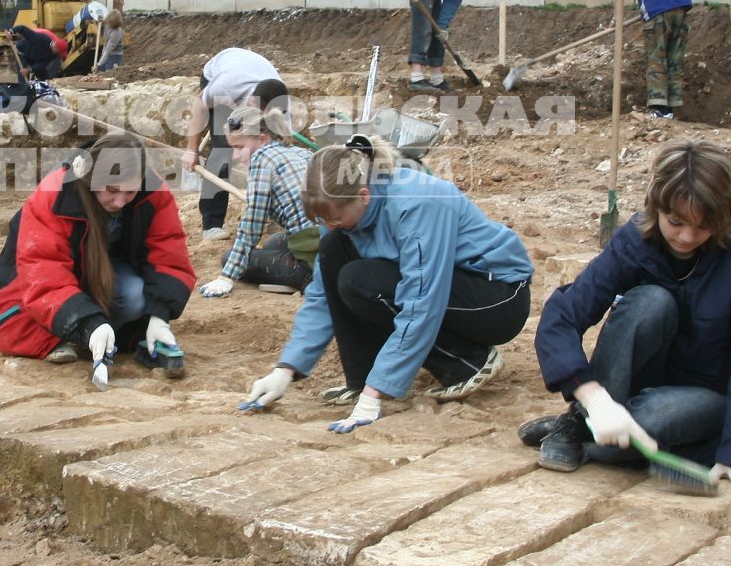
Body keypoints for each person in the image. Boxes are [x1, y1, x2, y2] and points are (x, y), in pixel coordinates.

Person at [519, 140, 731, 499]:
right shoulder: (636, 240)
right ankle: (587, 417)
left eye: (704, 226)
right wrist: (595, 399)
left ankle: (589, 432)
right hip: (637, 377)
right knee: (650, 302)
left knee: (646, 425)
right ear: (655, 206)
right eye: (675, 222)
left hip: (702, 390)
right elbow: (562, 316)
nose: (687, 237)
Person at [240, 137, 531, 430]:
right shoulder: (341, 209)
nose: (330, 226)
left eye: (336, 218)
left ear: (364, 196)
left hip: (497, 298)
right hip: (449, 287)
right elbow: (322, 296)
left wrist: (375, 394)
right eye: (324, 220)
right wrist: (286, 368)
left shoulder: (414, 204)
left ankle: (468, 363)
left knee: (361, 282)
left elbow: (421, 301)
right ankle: (361, 376)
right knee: (334, 254)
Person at [0, 133, 195, 389]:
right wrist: (87, 323)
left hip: (102, 276)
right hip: (35, 282)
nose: (120, 201)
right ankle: (86, 331)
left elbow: (169, 255)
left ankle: (103, 332)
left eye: (130, 191)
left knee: (134, 296)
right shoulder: (55, 193)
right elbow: (43, 271)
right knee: (21, 327)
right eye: (112, 190)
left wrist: (158, 316)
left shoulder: (153, 192)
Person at [199, 106, 318, 298]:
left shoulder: (261, 158)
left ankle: (307, 276)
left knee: (229, 257)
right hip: (330, 241)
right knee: (272, 243)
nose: (236, 156)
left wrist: (227, 276)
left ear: (263, 138)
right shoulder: (300, 152)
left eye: (239, 147)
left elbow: (252, 223)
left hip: (313, 257)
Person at [180, 47, 281, 240]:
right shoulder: (226, 87)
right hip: (219, 74)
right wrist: (191, 150)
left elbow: (280, 151)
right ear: (250, 102)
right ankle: (212, 224)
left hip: (251, 73)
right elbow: (199, 105)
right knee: (223, 148)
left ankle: (274, 212)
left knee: (269, 149)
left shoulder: (281, 105)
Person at [407, 0, 503, 92]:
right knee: (423, 27)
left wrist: (442, 25)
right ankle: (416, 78)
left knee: (437, 32)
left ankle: (437, 79)